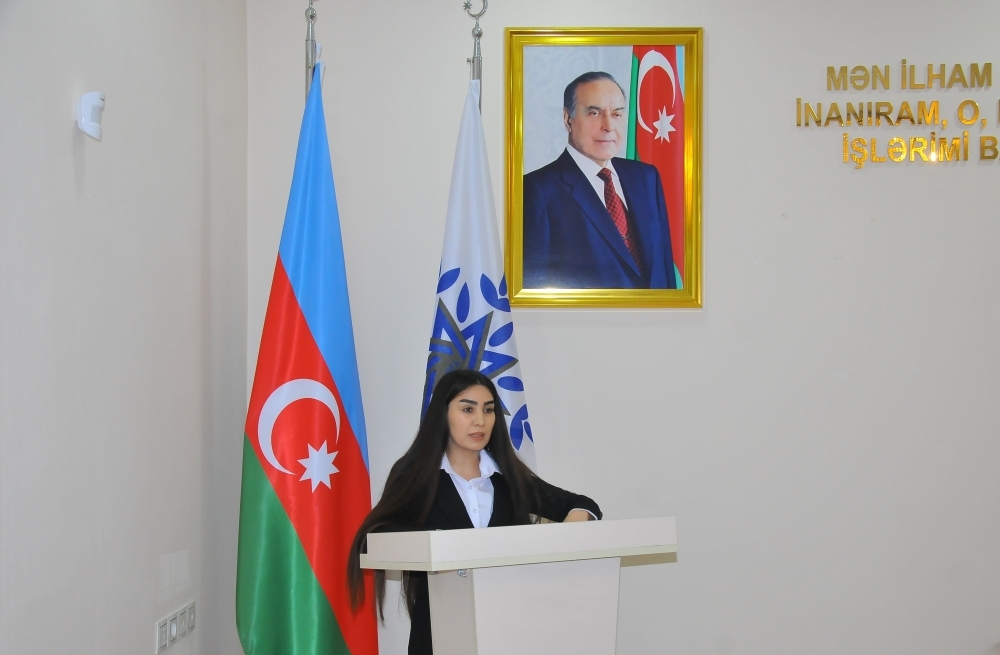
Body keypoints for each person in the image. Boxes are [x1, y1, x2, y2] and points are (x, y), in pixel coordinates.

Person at [347, 369, 601, 655]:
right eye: (468, 409)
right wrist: (438, 542)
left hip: (510, 631)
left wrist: (568, 533)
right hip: (439, 635)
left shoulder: (509, 478)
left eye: (488, 410)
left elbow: (583, 505)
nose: (480, 420)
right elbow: (374, 536)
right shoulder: (417, 476)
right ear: (443, 414)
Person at [523, 71, 677, 290]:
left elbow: (665, 272)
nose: (608, 126)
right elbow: (534, 287)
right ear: (568, 119)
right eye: (594, 113)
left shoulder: (646, 178)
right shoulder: (536, 190)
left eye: (616, 114)